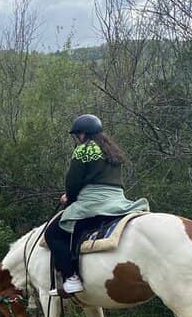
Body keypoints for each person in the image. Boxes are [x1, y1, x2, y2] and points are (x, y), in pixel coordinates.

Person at [44, 114, 148, 294]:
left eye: (78, 134)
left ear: (83, 133)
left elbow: (73, 181)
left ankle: (71, 278)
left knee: (53, 234)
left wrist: (69, 197)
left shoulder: (83, 150)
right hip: (118, 200)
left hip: (94, 203)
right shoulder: (112, 149)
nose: (78, 138)